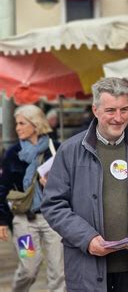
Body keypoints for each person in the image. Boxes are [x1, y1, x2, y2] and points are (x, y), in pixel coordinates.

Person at [41, 77, 128, 292]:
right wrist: (87, 238)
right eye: (111, 110)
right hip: (86, 266)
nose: (119, 118)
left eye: (124, 110)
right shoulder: (70, 151)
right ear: (95, 110)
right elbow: (53, 205)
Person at [0, 105, 65, 291]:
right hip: (24, 221)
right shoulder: (13, 153)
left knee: (59, 271)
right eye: (16, 124)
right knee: (29, 267)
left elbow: (72, 183)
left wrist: (52, 184)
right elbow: (3, 188)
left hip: (53, 220)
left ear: (35, 125)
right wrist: (2, 220)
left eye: (22, 123)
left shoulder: (56, 149)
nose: (17, 128)